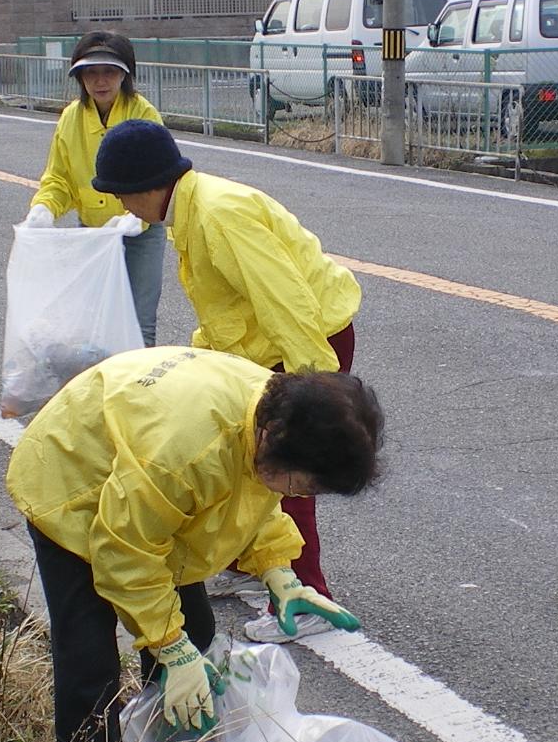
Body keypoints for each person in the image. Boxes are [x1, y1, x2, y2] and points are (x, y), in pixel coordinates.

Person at [6, 346, 382, 742]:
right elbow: (126, 550)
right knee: (90, 659)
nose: (299, 495)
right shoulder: (186, 450)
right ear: (272, 437)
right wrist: (169, 647)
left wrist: (278, 572)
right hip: (71, 479)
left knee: (197, 638)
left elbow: (250, 500)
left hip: (144, 489)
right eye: (300, 483)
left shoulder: (273, 417)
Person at [91, 120, 364, 645]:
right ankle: (249, 566)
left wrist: (317, 388)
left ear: (150, 186)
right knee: (240, 455)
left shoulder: (219, 214)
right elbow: (228, 307)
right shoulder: (191, 212)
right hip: (266, 349)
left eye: (123, 196)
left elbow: (285, 300)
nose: (123, 207)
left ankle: (306, 593)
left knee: (284, 470)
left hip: (301, 345)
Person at [27, 31, 168, 346]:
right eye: (91, 73)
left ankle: (138, 392)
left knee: (139, 321)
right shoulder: (71, 119)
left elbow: (160, 175)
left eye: (109, 72)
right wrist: (44, 207)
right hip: (93, 231)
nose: (100, 81)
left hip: (140, 231)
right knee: (95, 321)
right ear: (80, 78)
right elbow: (59, 177)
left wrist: (138, 217)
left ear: (124, 75)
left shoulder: (143, 114)